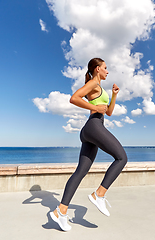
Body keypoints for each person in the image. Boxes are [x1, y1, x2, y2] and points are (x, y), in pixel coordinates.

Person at [50, 58, 128, 231]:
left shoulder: (100, 88)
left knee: (81, 171)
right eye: (106, 68)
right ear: (98, 69)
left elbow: (108, 112)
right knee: (122, 157)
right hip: (93, 127)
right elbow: (74, 98)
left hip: (91, 129)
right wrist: (92, 108)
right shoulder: (93, 83)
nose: (108, 71)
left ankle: (60, 211)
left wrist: (114, 95)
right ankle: (99, 194)